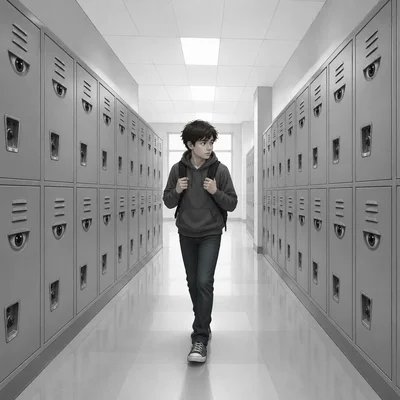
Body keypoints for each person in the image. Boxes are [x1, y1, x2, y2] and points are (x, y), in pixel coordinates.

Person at [163, 120, 238, 363]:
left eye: (211, 142)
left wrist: (216, 191)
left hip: (210, 233)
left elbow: (232, 204)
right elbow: (168, 202)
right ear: (190, 144)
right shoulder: (178, 170)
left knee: (205, 281)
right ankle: (202, 320)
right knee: (193, 281)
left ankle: (200, 338)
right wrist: (176, 190)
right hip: (186, 232)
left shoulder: (220, 171)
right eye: (204, 143)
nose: (209, 147)